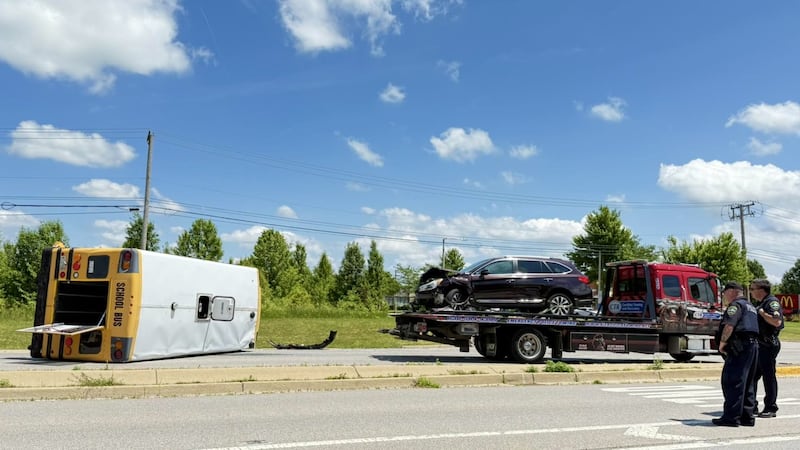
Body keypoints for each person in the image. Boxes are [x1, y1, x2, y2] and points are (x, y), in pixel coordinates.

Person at [713, 281, 759, 427]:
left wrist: (722, 343)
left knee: (733, 381)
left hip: (740, 347)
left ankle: (731, 417)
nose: (724, 296)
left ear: (732, 291)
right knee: (747, 382)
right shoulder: (751, 306)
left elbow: (729, 325)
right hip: (753, 346)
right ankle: (747, 416)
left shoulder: (736, 305)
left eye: (725, 292)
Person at [750, 278, 784, 418]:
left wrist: (763, 314)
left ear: (761, 290)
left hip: (768, 344)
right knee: (752, 376)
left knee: (768, 377)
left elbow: (777, 322)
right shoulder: (762, 303)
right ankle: (751, 406)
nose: (751, 292)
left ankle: (771, 407)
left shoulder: (772, 303)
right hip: (760, 344)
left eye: (753, 289)